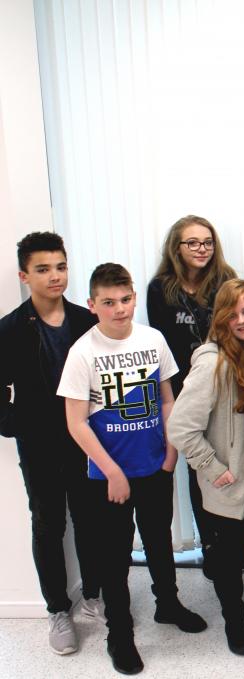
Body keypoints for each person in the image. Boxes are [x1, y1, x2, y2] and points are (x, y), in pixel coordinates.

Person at [58, 263, 207, 675]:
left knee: (159, 539)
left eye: (125, 300)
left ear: (133, 298)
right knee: (114, 556)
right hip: (108, 476)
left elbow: (168, 399)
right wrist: (112, 472)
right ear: (92, 305)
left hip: (154, 464)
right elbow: (75, 422)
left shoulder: (153, 338)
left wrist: (172, 452)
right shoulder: (82, 352)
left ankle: (168, 604)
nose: (119, 309)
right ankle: (118, 634)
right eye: (108, 302)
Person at [167, 279, 244, 656]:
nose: (242, 320)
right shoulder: (213, 361)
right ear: (220, 318)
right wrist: (213, 468)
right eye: (232, 314)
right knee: (229, 559)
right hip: (230, 480)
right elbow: (181, 427)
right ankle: (235, 621)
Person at [0, 232, 103, 655]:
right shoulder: (9, 328)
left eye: (60, 266)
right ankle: (58, 610)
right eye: (43, 269)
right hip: (39, 444)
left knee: (90, 518)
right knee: (47, 524)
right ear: (26, 276)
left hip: (88, 440)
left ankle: (95, 596)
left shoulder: (85, 320)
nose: (55, 276)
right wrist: (15, 424)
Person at [147, 215, 237, 576]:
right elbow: (162, 347)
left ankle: (234, 542)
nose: (202, 249)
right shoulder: (160, 289)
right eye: (193, 243)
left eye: (207, 242)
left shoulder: (226, 280)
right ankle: (209, 544)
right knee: (198, 468)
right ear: (177, 248)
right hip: (187, 391)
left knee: (230, 464)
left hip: (227, 386)